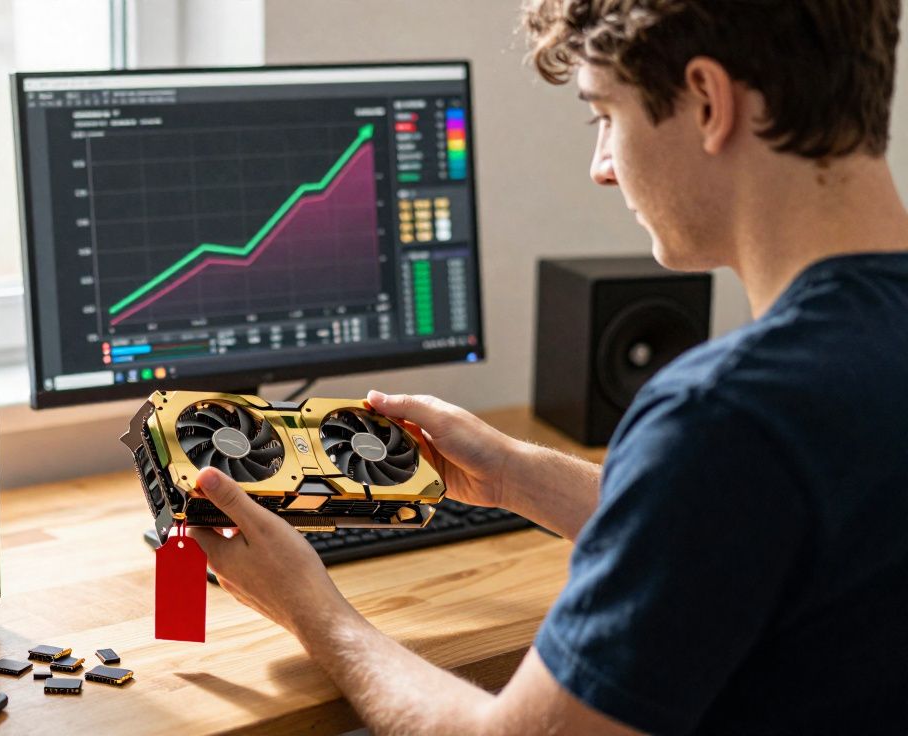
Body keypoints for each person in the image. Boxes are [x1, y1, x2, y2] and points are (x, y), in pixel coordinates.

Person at [187, 1, 908, 733]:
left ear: (708, 102)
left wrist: (313, 612)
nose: (601, 167)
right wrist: (510, 475)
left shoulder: (724, 415)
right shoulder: (803, 402)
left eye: (604, 116)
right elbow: (760, 525)